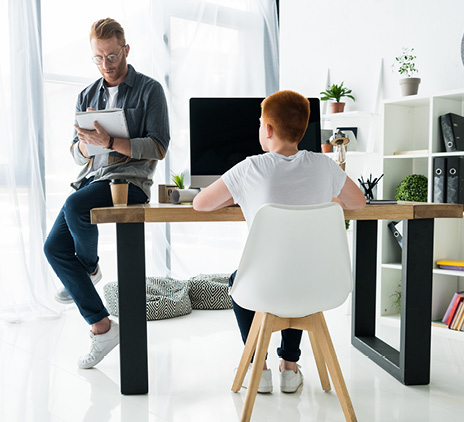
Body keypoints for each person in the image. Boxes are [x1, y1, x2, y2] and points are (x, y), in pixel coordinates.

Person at [193, 90, 365, 394]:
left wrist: (238, 195)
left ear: (268, 130)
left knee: (240, 280)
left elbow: (201, 204)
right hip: (319, 284)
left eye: (261, 123)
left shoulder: (251, 168)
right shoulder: (324, 165)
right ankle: (290, 365)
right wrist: (329, 197)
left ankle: (259, 368)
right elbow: (358, 203)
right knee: (297, 275)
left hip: (266, 286)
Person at [44, 18, 170, 369]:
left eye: (112, 56)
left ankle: (88, 265)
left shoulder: (149, 90)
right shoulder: (86, 95)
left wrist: (110, 142)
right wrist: (86, 149)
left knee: (74, 206)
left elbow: (158, 146)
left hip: (129, 182)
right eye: (98, 58)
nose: (106, 65)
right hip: (92, 179)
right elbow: (74, 151)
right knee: (52, 247)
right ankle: (102, 328)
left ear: (125, 49)